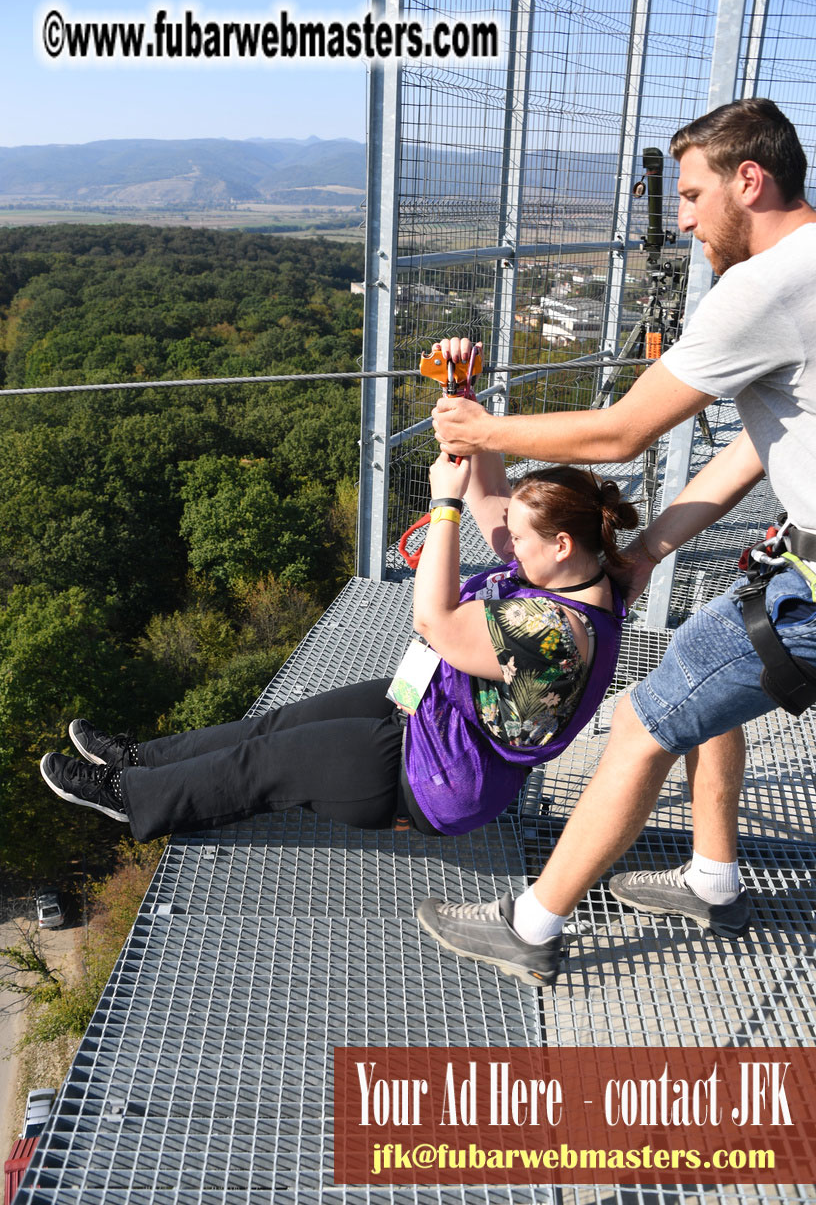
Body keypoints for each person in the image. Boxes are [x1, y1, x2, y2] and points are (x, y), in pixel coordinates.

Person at [418, 96, 816, 988]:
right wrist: (650, 550)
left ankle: (531, 926)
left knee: (644, 720)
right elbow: (763, 443)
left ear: (749, 181)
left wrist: (485, 433)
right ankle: (713, 878)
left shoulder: (767, 284)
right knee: (707, 673)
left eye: (690, 193)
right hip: (803, 560)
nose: (680, 219)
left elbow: (622, 433)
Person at [41, 437, 635, 955]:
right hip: (432, 708)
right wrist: (468, 414)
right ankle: (143, 758)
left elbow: (434, 619)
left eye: (524, 539)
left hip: (435, 775)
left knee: (265, 765)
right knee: (271, 727)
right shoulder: (577, 573)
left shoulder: (558, 636)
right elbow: (493, 499)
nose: (509, 546)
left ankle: (130, 797)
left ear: (560, 544)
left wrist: (443, 506)